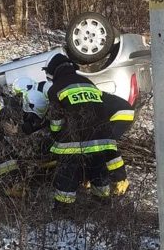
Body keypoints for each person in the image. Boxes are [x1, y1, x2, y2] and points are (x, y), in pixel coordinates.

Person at [44, 54, 116, 208]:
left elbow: (56, 122)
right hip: (100, 139)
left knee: (67, 174)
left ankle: (64, 210)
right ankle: (103, 205)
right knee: (98, 170)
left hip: (74, 141)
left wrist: (56, 136)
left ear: (53, 71)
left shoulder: (55, 89)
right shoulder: (89, 83)